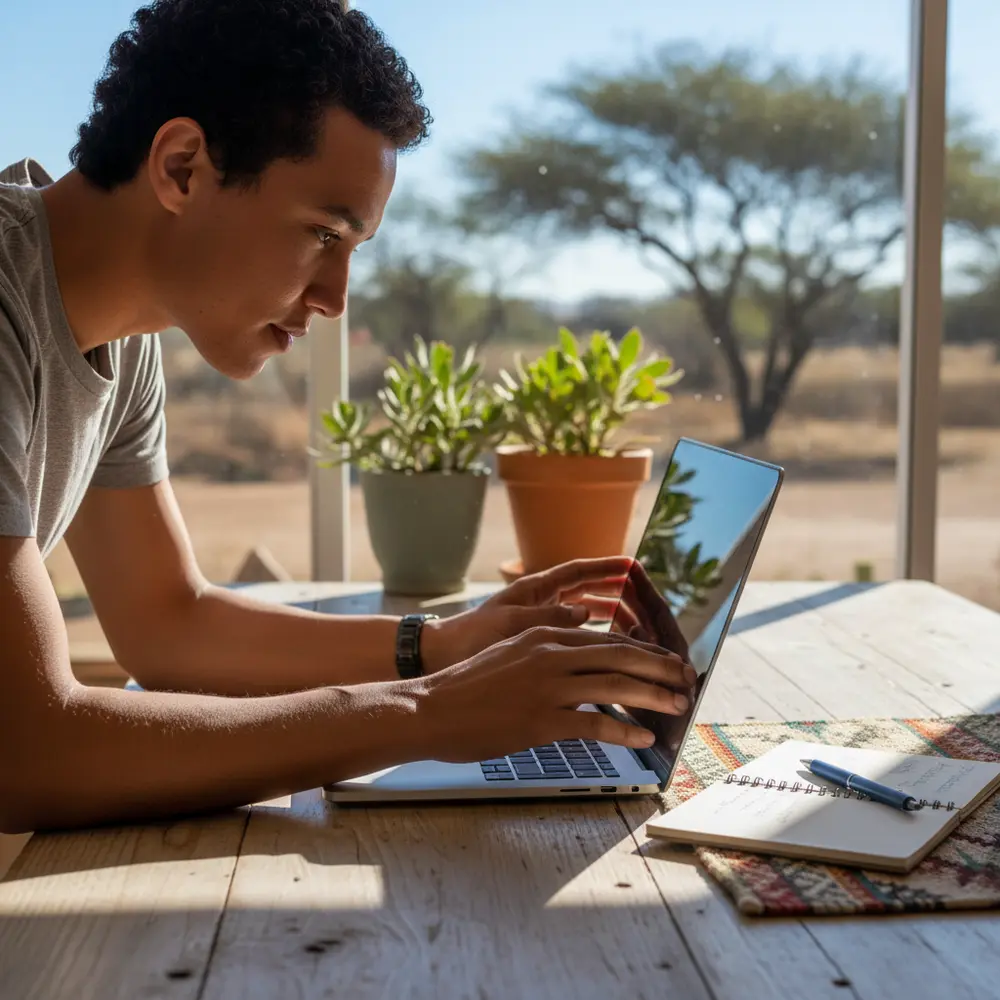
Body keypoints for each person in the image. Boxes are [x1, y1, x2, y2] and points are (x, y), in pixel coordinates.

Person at [0, 0, 693, 836]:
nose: (335, 299)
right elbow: (26, 749)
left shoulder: (122, 330)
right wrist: (428, 713)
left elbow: (166, 622)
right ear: (182, 166)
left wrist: (440, 648)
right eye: (323, 233)